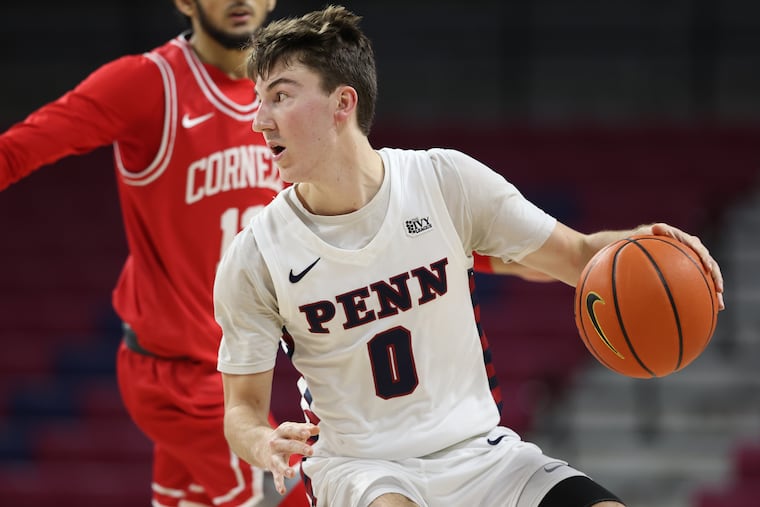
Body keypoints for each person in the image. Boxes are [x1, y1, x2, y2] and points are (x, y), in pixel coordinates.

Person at [214, 5, 726, 507]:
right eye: (258, 101)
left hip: (483, 455)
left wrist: (648, 243)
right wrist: (261, 442)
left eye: (279, 98)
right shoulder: (256, 255)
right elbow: (241, 410)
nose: (260, 121)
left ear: (341, 103)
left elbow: (578, 257)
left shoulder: (445, 181)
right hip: (362, 471)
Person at [0, 1, 310, 506]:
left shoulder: (294, 93)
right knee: (302, 494)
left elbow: (350, 200)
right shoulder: (149, 84)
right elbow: (18, 149)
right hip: (178, 377)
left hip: (239, 369)